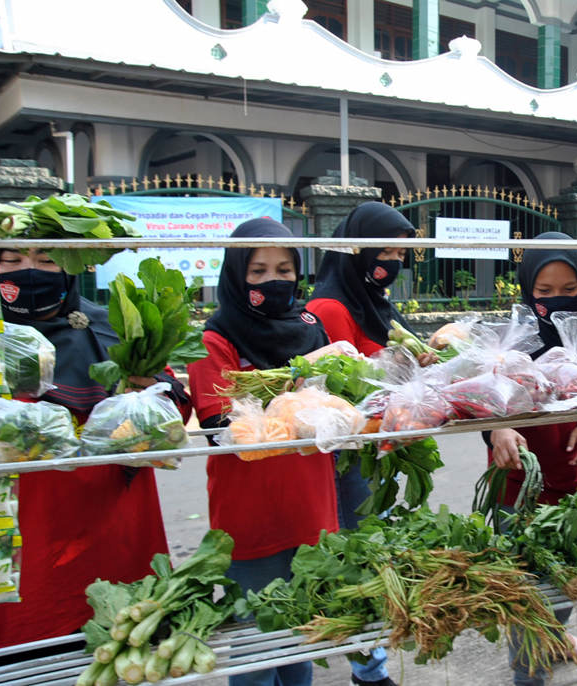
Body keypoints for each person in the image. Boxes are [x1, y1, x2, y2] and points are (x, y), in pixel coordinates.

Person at [0, 247, 190, 652]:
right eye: (11, 260)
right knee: (21, 653)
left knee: (115, 646)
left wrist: (147, 399)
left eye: (47, 260)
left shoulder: (113, 328)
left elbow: (177, 411)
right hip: (20, 533)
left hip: (112, 526)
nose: (29, 272)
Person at [188, 218, 340, 686]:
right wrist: (298, 383)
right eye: (257, 272)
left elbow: (339, 402)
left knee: (300, 637)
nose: (273, 281)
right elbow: (223, 427)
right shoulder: (212, 340)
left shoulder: (310, 329)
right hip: (252, 514)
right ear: (236, 275)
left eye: (284, 269)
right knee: (257, 644)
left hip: (311, 505)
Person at [304, 202, 424, 686]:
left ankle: (366, 661)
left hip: (374, 447)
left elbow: (390, 363)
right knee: (360, 552)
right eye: (385, 249)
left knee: (370, 548)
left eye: (400, 251)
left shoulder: (372, 298)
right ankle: (368, 669)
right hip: (347, 454)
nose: (393, 260)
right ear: (355, 249)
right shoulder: (330, 307)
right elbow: (340, 385)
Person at [486, 231, 577, 686]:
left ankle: (556, 635)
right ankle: (528, 675)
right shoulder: (510, 336)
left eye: (568, 291)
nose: (556, 301)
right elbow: (483, 399)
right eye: (544, 292)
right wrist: (497, 428)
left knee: (567, 577)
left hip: (570, 476)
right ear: (527, 288)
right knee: (525, 586)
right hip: (517, 482)